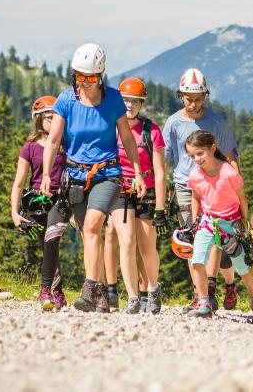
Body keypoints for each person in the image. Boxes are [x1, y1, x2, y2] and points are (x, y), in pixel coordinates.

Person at [41, 43, 147, 314]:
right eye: (79, 76)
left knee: (92, 224)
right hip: (75, 176)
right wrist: (45, 174)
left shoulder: (112, 99)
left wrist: (136, 173)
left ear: (99, 76)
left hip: (108, 174)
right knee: (90, 235)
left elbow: (126, 138)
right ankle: (100, 293)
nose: (83, 83)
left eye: (89, 78)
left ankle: (88, 289)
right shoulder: (66, 100)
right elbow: (53, 142)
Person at [162, 68, 240, 313]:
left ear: (205, 96)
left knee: (213, 237)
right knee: (191, 239)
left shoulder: (215, 121)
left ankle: (210, 289)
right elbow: (164, 159)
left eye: (198, 98)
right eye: (188, 98)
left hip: (213, 187)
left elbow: (230, 156)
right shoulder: (173, 123)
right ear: (180, 95)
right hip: (185, 186)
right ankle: (200, 294)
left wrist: (235, 189)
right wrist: (163, 191)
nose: (193, 104)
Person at [183, 130, 253, 322]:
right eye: (192, 156)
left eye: (200, 153)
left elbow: (242, 199)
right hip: (207, 222)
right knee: (197, 261)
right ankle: (204, 302)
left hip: (231, 224)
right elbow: (196, 197)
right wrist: (195, 223)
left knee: (242, 267)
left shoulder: (229, 172)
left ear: (212, 148)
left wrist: (244, 224)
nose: (196, 159)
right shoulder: (195, 175)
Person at [101, 77, 166, 314]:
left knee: (147, 247)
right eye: (125, 101)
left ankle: (153, 287)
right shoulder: (112, 128)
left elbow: (160, 173)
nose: (129, 106)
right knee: (126, 242)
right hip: (120, 189)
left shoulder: (152, 131)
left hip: (146, 189)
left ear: (142, 104)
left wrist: (160, 209)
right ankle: (132, 296)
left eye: (135, 102)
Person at [10, 95, 68, 311]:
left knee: (52, 238)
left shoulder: (64, 145)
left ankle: (45, 290)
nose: (51, 121)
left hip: (60, 200)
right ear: (38, 120)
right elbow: (18, 183)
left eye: (55, 117)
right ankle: (58, 289)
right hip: (36, 203)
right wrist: (15, 214)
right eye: (47, 117)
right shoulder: (30, 147)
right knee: (47, 245)